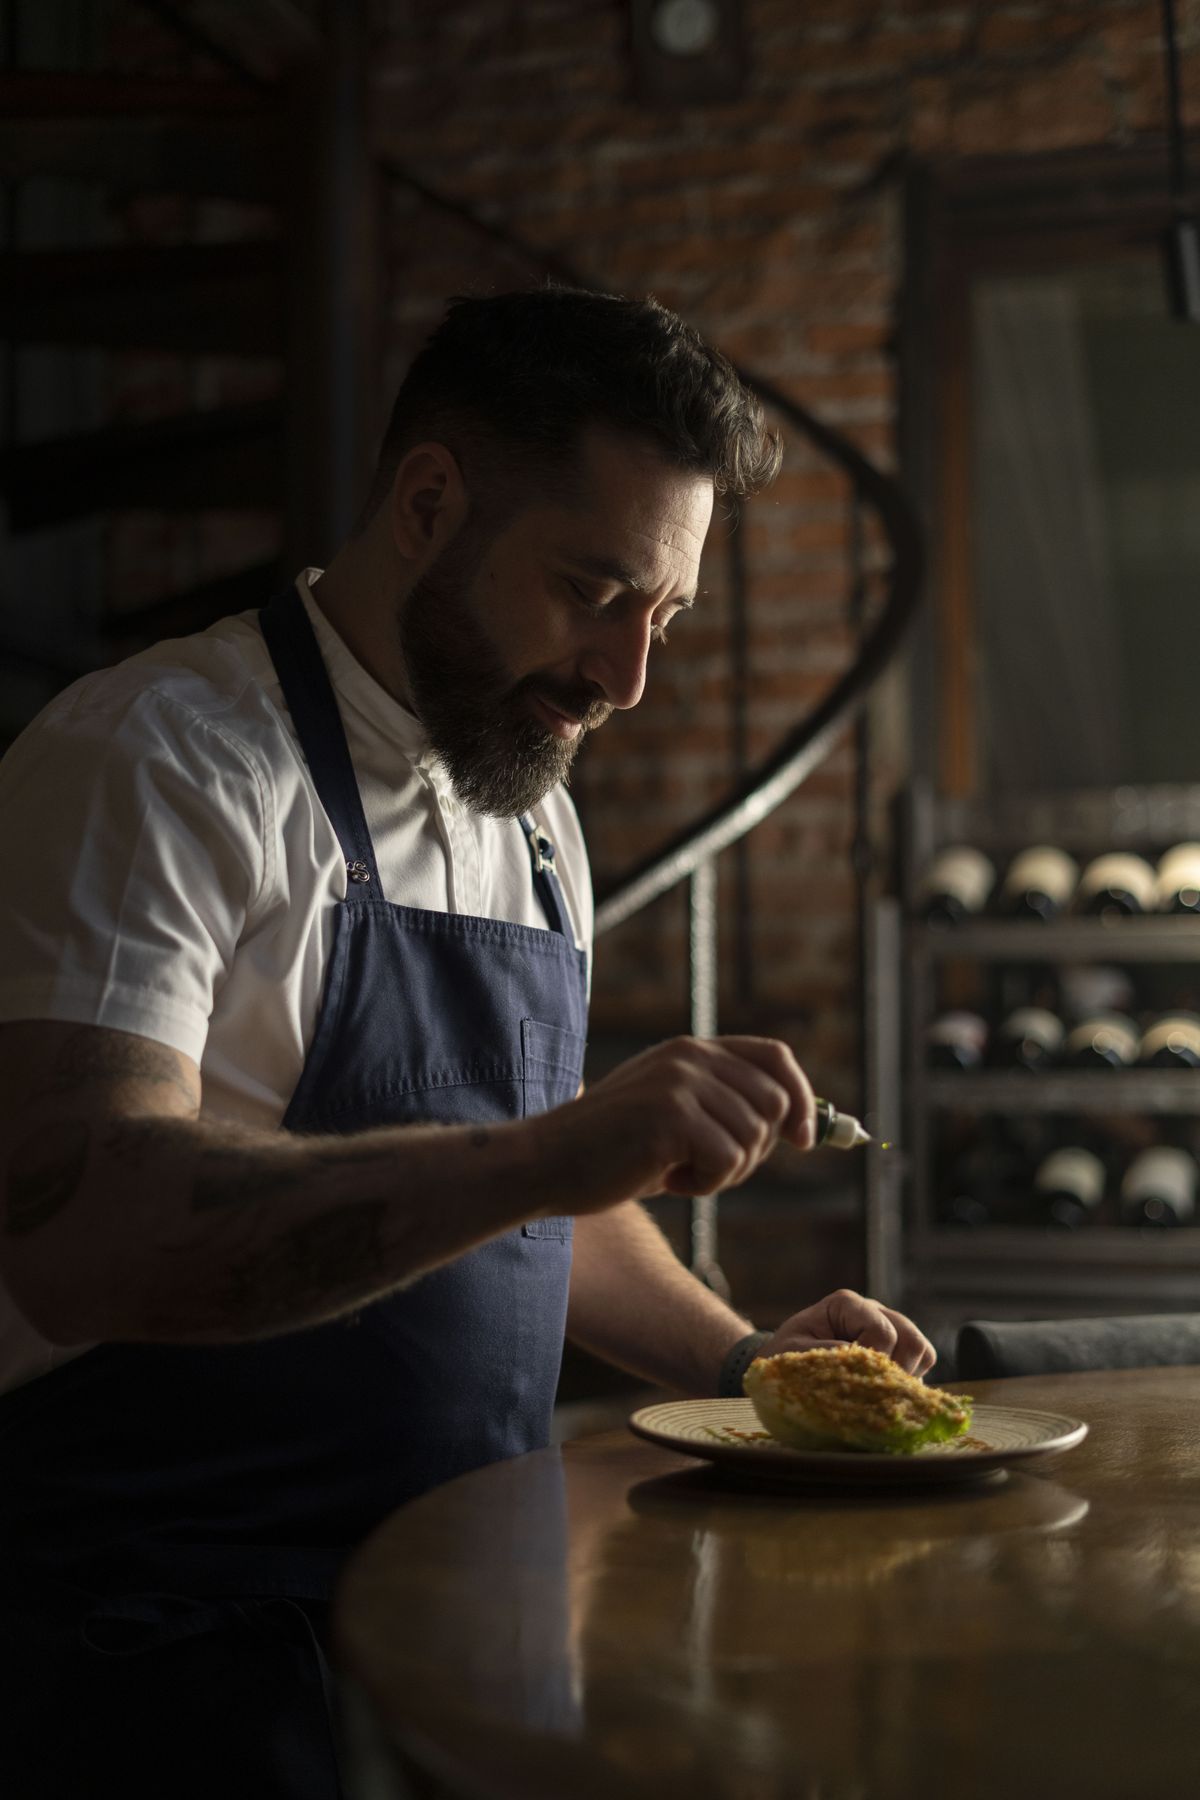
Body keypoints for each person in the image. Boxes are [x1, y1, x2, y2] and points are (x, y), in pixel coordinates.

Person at [0, 285, 933, 1797]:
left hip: (458, 1631)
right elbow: (76, 1224)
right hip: (174, 1650)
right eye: (592, 589)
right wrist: (555, 1151)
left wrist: (744, 1362)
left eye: (664, 617)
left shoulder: (532, 817)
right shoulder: (159, 760)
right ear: (429, 503)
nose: (626, 677)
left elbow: (544, 1206)